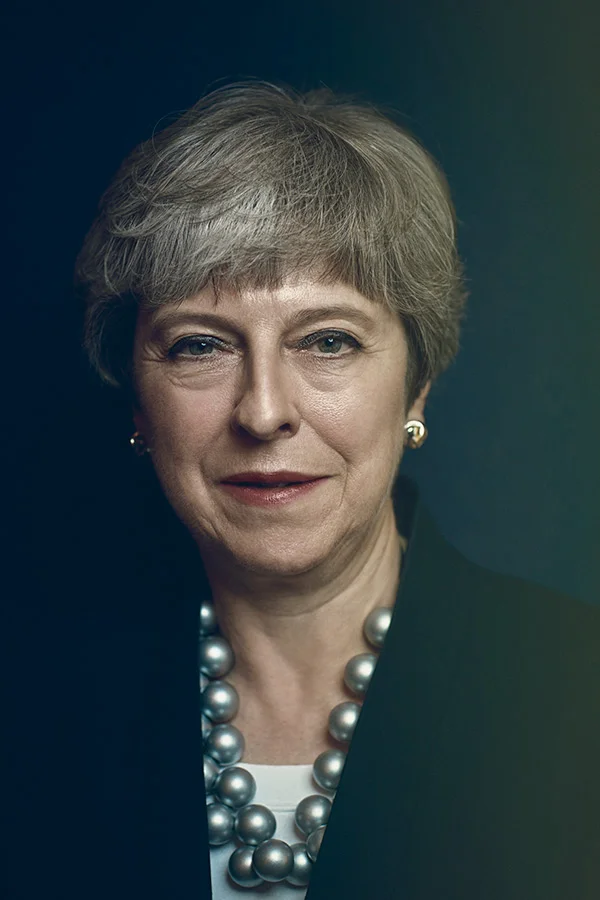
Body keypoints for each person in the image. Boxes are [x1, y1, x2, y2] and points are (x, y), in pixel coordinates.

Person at [73, 81, 600, 900]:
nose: (265, 411)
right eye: (200, 346)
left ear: (416, 385)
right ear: (141, 402)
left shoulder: (579, 695)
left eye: (328, 340)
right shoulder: (37, 714)